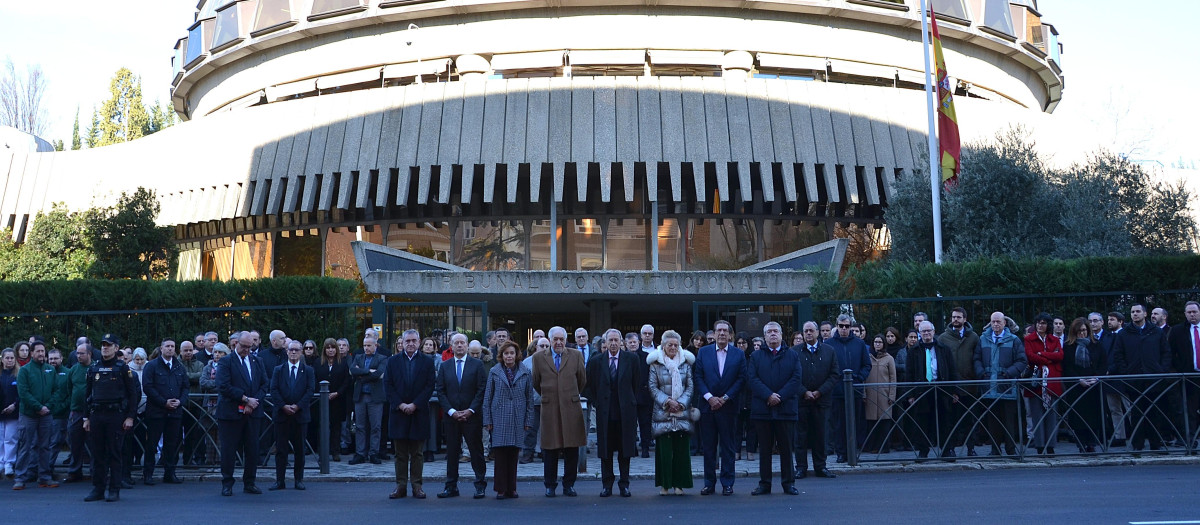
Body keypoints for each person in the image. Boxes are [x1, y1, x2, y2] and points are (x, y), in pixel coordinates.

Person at [81, 334, 139, 502]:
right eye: (103, 345)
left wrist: (130, 417)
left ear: (116, 348)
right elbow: (87, 395)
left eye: (109, 345)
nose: (105, 347)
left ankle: (114, 488)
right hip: (97, 415)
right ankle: (98, 489)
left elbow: (132, 394)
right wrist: (86, 418)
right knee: (97, 454)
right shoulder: (94, 368)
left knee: (114, 453)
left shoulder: (122, 368)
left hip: (116, 415)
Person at [745, 322, 801, 495]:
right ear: (764, 336)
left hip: (785, 409)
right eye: (769, 332)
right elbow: (752, 379)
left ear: (782, 334)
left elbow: (796, 378)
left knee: (786, 448)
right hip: (763, 409)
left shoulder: (792, 355)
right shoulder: (756, 356)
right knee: (765, 449)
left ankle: (788, 483)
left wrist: (780, 396)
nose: (773, 334)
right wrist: (768, 395)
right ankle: (765, 484)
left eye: (776, 331)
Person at [531, 326, 587, 498]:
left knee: (572, 448)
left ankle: (569, 485)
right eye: (555, 339)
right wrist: (552, 395)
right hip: (550, 408)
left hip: (571, 407)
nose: (558, 342)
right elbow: (536, 382)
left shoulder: (576, 355)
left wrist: (567, 395)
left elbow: (582, 380)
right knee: (550, 449)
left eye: (561, 339)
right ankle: (550, 485)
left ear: (565, 340)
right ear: (549, 341)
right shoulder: (539, 358)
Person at [585, 329, 641, 498]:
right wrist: (598, 402)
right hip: (605, 413)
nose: (614, 343)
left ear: (621, 342)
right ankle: (606, 485)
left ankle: (624, 484)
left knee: (625, 451)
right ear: (605, 342)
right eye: (611, 340)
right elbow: (590, 386)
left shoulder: (632, 359)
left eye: (617, 340)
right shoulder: (596, 361)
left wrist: (630, 401)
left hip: (625, 413)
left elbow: (636, 383)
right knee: (606, 451)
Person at [694, 319, 746, 495]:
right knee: (708, 447)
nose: (722, 333)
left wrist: (724, 398)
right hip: (708, 408)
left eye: (725, 330)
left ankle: (727, 483)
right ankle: (709, 483)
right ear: (714, 334)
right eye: (719, 330)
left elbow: (741, 379)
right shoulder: (703, 352)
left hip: (728, 407)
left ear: (730, 334)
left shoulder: (738, 354)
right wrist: (709, 398)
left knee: (728, 447)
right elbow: (698, 377)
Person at [1111, 304, 1172, 453]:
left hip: (1153, 379)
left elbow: (1166, 352)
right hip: (1134, 379)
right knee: (1136, 413)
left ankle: (1155, 444)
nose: (1135, 314)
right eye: (1132, 312)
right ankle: (1137, 445)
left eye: (1138, 311)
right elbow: (1118, 355)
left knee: (1154, 413)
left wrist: (1161, 370)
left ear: (1145, 314)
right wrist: (1126, 372)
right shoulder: (1124, 334)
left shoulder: (1156, 332)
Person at [435, 333, 488, 499]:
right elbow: (441, 391)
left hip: (471, 416)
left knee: (476, 451)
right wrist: (451, 411)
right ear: (451, 345)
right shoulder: (445, 366)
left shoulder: (477, 365)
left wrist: (470, 410)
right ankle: (451, 486)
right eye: (456, 343)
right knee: (452, 452)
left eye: (462, 343)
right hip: (451, 417)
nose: (459, 345)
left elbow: (481, 389)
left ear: (466, 346)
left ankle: (480, 485)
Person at [385, 329, 436, 500]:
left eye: (414, 340)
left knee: (417, 453)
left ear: (419, 341)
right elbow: (388, 385)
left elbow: (429, 386)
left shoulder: (427, 362)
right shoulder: (392, 362)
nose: (411, 344)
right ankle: (400, 486)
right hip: (398, 412)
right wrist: (400, 404)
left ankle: (417, 486)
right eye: (408, 341)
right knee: (400, 453)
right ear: (402, 342)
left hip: (418, 411)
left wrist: (415, 404)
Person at [216, 330, 268, 497]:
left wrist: (253, 402)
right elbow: (223, 386)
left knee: (252, 449)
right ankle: (227, 483)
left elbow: (264, 384)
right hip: (231, 413)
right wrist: (245, 399)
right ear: (235, 344)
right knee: (229, 449)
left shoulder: (257, 361)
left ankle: (250, 482)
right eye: (244, 346)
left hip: (253, 412)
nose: (246, 349)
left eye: (249, 347)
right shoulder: (226, 361)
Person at [647, 330, 695, 495]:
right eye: (670, 345)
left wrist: (680, 403)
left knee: (682, 451)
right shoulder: (655, 364)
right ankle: (665, 485)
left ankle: (679, 485)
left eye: (676, 345)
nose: (673, 347)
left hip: (682, 413)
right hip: (663, 413)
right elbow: (653, 388)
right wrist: (668, 402)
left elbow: (690, 387)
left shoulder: (686, 364)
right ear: (663, 345)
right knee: (664, 453)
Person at [484, 341, 534, 500]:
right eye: (506, 353)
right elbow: (487, 397)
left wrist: (528, 420)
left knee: (513, 455)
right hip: (499, 417)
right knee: (500, 455)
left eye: (512, 353)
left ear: (517, 354)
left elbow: (529, 399)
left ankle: (511, 488)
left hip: (518, 417)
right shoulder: (494, 371)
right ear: (501, 355)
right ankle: (500, 488)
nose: (509, 356)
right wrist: (487, 420)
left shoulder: (525, 372)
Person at [974, 312, 1028, 456]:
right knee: (992, 420)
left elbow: (1022, 361)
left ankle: (1011, 450)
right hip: (989, 386)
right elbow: (977, 358)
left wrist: (1009, 373)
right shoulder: (983, 339)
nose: (996, 325)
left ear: (1004, 323)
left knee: (1009, 420)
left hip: (1007, 387)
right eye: (993, 322)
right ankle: (995, 449)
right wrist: (980, 372)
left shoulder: (1014, 340)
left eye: (998, 322)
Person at [905, 321, 958, 461]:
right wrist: (910, 394)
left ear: (934, 332)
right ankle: (923, 451)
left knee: (945, 420)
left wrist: (954, 391)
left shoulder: (943, 349)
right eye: (923, 332)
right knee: (922, 421)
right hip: (922, 390)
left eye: (929, 331)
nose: (926, 334)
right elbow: (909, 373)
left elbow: (952, 369)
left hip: (941, 388)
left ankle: (947, 450)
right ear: (919, 334)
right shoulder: (913, 351)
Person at [794, 321, 838, 479]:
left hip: (821, 401)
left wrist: (820, 391)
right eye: (805, 331)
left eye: (811, 330)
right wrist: (804, 392)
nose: (808, 334)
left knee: (820, 436)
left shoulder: (829, 351)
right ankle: (800, 468)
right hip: (801, 401)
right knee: (801, 436)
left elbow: (834, 374)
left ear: (818, 332)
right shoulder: (795, 351)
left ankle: (821, 466)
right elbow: (792, 376)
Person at [141, 338, 189, 485]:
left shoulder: (179, 367)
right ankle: (148, 474)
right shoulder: (152, 366)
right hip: (157, 411)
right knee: (152, 444)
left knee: (171, 444)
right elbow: (148, 387)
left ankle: (170, 473)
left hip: (175, 412)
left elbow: (185, 387)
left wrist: (180, 401)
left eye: (172, 346)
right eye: (167, 346)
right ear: (161, 348)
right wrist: (163, 402)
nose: (170, 349)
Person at [825, 314, 872, 464]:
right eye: (841, 326)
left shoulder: (859, 344)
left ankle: (853, 450)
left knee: (855, 421)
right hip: (837, 390)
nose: (844, 329)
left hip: (855, 389)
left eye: (846, 326)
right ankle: (841, 452)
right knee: (839, 423)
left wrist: (859, 377)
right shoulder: (829, 344)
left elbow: (867, 364)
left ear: (851, 327)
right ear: (837, 326)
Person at [268, 340, 315, 490]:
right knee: (281, 450)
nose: (293, 352)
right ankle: (280, 480)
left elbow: (310, 390)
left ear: (301, 352)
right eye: (291, 350)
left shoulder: (308, 370)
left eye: (296, 350)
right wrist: (283, 406)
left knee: (300, 450)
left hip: (300, 415)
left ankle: (298, 480)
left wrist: (298, 406)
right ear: (287, 352)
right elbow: (273, 390)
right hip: (282, 415)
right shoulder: (278, 370)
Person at [13, 340, 58, 491]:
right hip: (29, 415)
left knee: (45, 446)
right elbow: (23, 393)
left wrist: (48, 407)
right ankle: (20, 477)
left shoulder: (50, 370)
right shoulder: (25, 371)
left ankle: (44, 476)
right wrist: (38, 407)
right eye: (37, 351)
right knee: (25, 446)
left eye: (42, 351)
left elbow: (57, 391)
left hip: (46, 414)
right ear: (32, 353)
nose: (41, 354)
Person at [938, 307, 980, 457]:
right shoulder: (943, 338)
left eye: (959, 317)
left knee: (970, 420)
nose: (955, 319)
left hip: (970, 385)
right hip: (951, 387)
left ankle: (971, 448)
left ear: (965, 319)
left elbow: (977, 358)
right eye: (953, 317)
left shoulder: (973, 337)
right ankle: (950, 449)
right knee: (951, 420)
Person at [1061, 317, 1106, 453]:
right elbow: (1067, 366)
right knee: (1078, 416)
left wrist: (1096, 377)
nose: (1082, 333)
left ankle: (1092, 443)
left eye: (1084, 330)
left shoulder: (1096, 344)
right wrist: (1078, 379)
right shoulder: (1068, 346)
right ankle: (1081, 442)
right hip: (1076, 386)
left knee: (1094, 415)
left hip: (1094, 385)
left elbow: (1103, 363)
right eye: (1079, 331)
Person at [1024, 313, 1064, 456]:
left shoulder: (1054, 339)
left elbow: (1060, 355)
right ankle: (1040, 446)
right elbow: (1030, 356)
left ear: (1048, 325)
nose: (1041, 325)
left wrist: (1042, 354)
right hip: (1036, 381)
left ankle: (1051, 445)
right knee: (1037, 414)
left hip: (1052, 381)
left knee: (1052, 415)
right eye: (1038, 323)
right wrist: (1047, 358)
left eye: (1044, 323)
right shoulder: (1029, 339)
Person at [349, 337, 386, 465]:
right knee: (360, 426)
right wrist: (368, 371)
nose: (366, 348)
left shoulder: (382, 358)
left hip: (375, 397)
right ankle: (360, 453)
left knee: (375, 426)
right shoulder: (358, 357)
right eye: (364, 345)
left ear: (376, 345)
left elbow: (380, 374)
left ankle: (373, 453)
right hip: (360, 396)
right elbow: (353, 370)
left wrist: (362, 376)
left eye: (369, 345)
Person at [1168, 301, 1200, 447]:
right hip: (1188, 375)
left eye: (1194, 311)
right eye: (1189, 312)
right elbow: (1170, 353)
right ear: (1185, 314)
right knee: (1190, 410)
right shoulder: (1177, 331)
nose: (1192, 315)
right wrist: (1178, 370)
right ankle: (1191, 441)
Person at [313, 338, 351, 461]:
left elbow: (347, 381)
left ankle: (335, 451)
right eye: (328, 348)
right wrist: (322, 392)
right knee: (322, 427)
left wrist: (337, 393)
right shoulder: (318, 362)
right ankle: (322, 452)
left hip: (338, 399)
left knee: (336, 427)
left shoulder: (343, 363)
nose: (330, 350)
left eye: (333, 347)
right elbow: (314, 379)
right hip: (322, 400)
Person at [63, 344, 92, 483]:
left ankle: (95, 471)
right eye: (77, 353)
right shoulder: (73, 370)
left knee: (94, 443)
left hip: (92, 412)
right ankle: (74, 471)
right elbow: (69, 389)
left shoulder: (94, 369)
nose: (78, 356)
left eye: (81, 353)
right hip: (76, 411)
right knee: (75, 443)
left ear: (89, 354)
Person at [864, 334, 896, 455]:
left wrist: (892, 395)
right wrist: (863, 393)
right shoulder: (868, 357)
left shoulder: (889, 358)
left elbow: (893, 378)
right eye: (875, 342)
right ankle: (872, 446)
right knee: (871, 423)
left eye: (880, 342)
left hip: (884, 394)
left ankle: (884, 447)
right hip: (870, 394)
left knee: (884, 422)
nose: (877, 344)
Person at [198, 343, 227, 464]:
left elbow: (226, 384)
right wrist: (217, 384)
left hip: (223, 403)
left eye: (220, 352)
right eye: (215, 352)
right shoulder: (207, 367)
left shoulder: (227, 367)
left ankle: (220, 459)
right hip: (208, 404)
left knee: (221, 432)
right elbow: (203, 383)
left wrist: (215, 384)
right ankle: (209, 460)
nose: (217, 355)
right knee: (209, 431)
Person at [635, 325, 656, 459]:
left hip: (651, 391)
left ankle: (645, 445)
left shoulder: (658, 350)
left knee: (646, 421)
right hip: (635, 390)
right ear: (641, 335)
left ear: (653, 335)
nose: (647, 336)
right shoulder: (635, 350)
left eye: (650, 333)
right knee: (632, 421)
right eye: (645, 333)